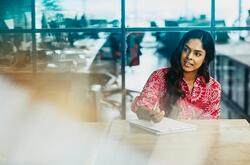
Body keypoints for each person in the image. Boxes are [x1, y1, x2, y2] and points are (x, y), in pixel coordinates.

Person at [131, 29, 221, 122]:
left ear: (205, 58)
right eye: (186, 49)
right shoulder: (159, 77)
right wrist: (151, 114)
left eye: (197, 54)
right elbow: (141, 108)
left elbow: (209, 126)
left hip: (197, 136)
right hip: (165, 135)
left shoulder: (214, 88)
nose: (189, 56)